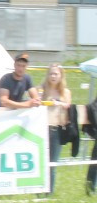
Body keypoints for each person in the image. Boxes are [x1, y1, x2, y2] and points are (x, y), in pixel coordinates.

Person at [41, 63, 71, 193]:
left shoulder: (65, 92)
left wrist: (58, 103)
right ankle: (38, 190)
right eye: (51, 73)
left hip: (57, 130)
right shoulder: (41, 89)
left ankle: (49, 192)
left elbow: (68, 105)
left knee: (52, 163)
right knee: (41, 161)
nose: (53, 76)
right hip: (42, 129)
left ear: (61, 76)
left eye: (56, 74)